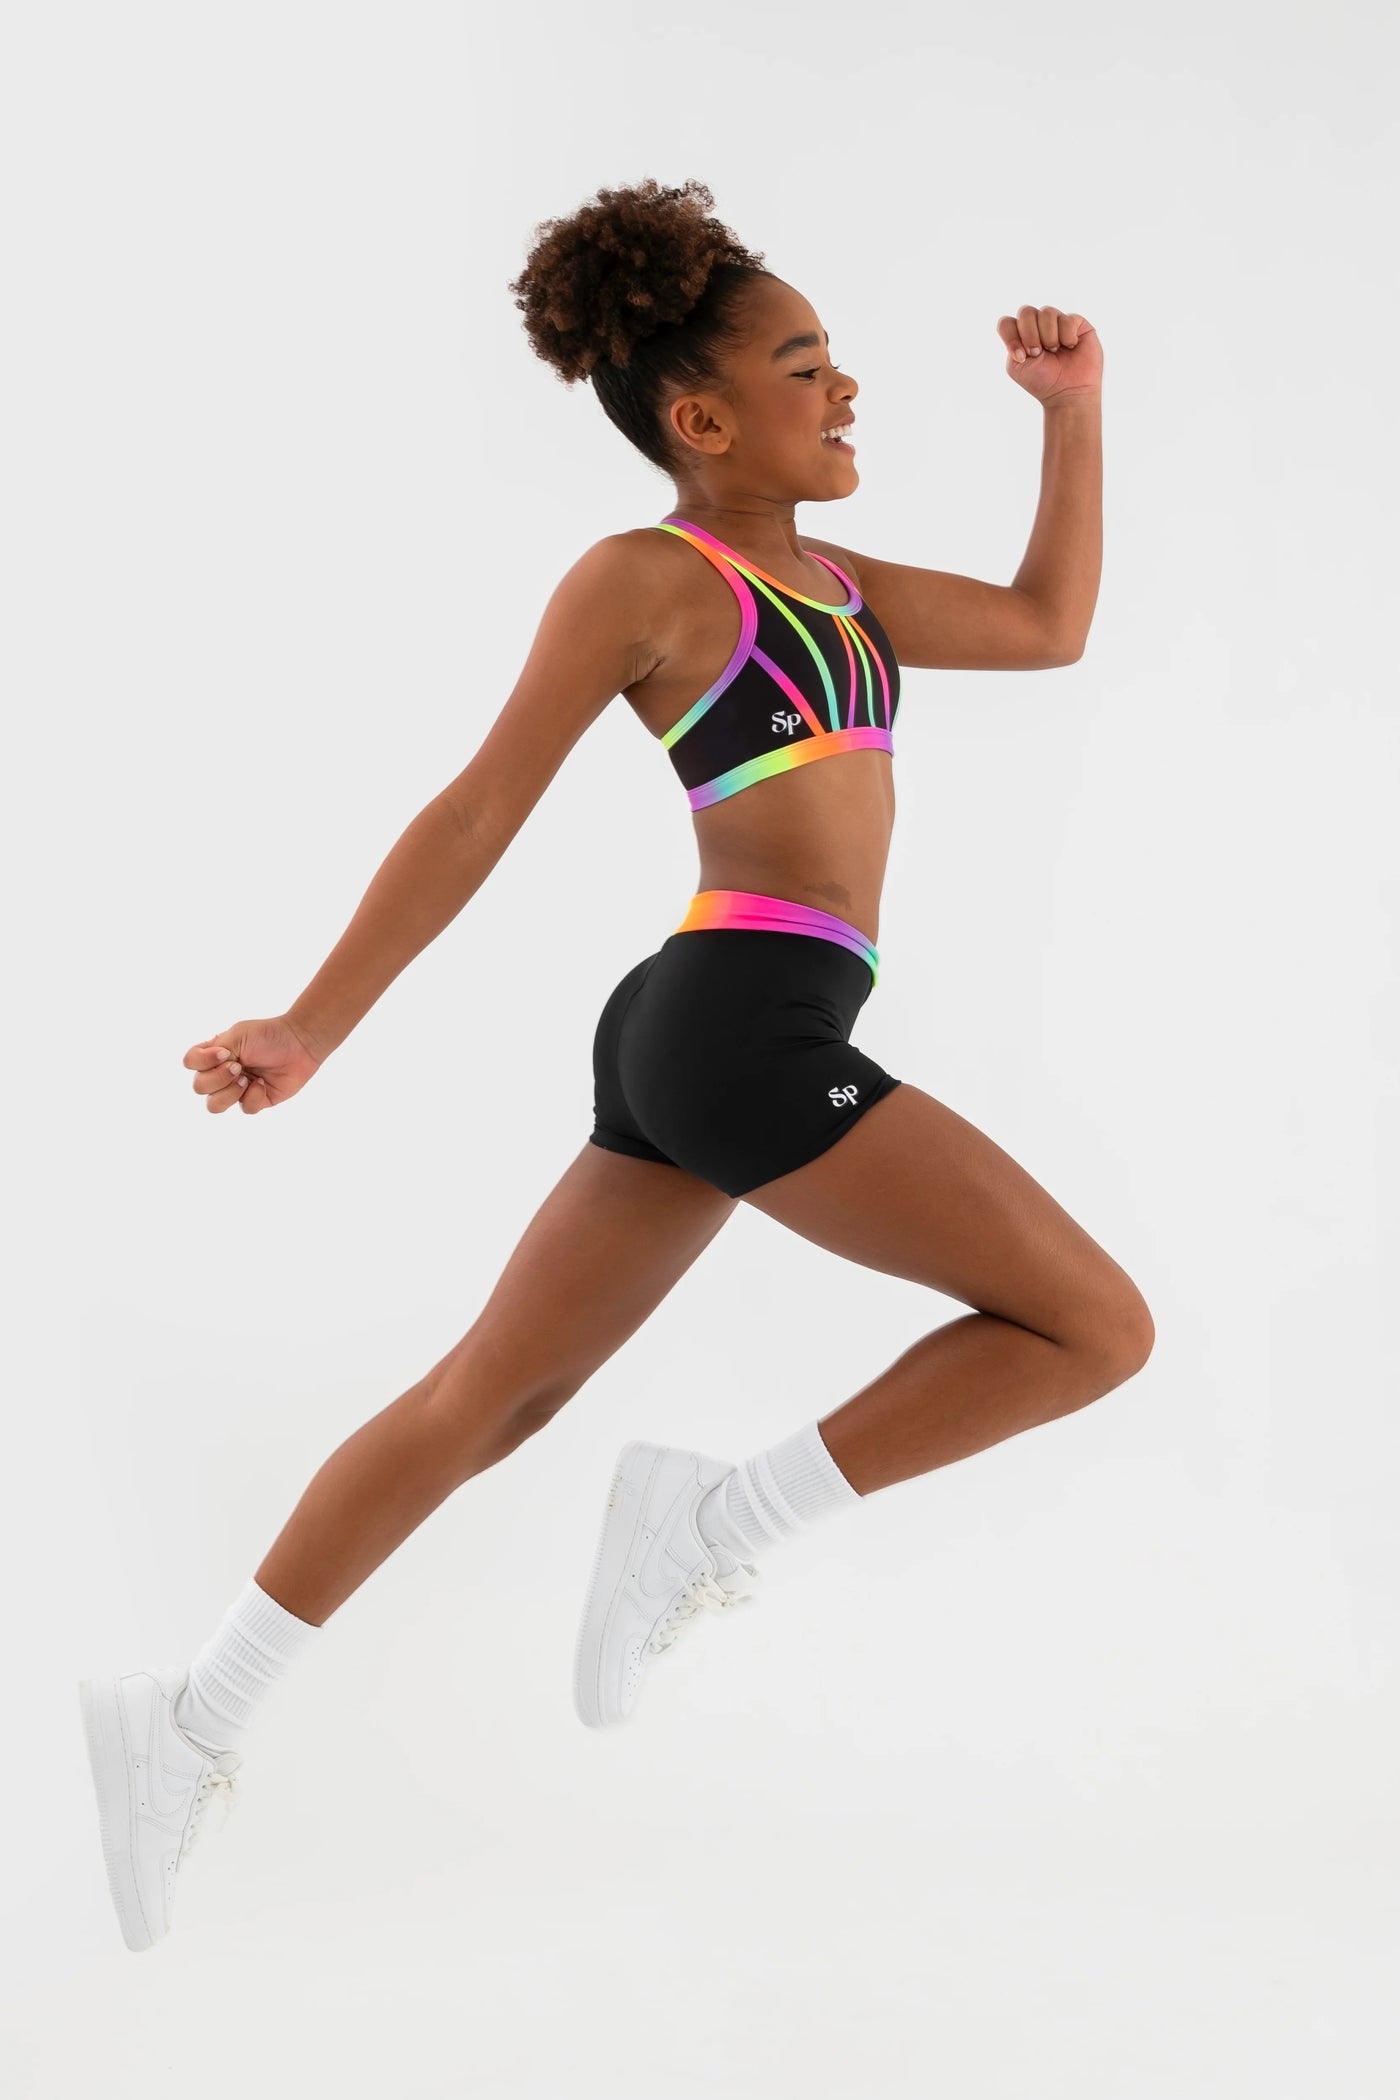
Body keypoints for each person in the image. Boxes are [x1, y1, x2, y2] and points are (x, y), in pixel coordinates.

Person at [79, 176, 1151, 1952]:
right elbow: (477, 807)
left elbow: (1050, 624)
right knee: (1094, 1327)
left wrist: (1075, 413)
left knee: (488, 1401)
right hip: (739, 1024)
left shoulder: (847, 590)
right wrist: (313, 1022)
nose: (846, 387)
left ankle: (189, 1716)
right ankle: (714, 1521)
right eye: (804, 365)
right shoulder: (652, 578)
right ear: (701, 421)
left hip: (718, 1029)